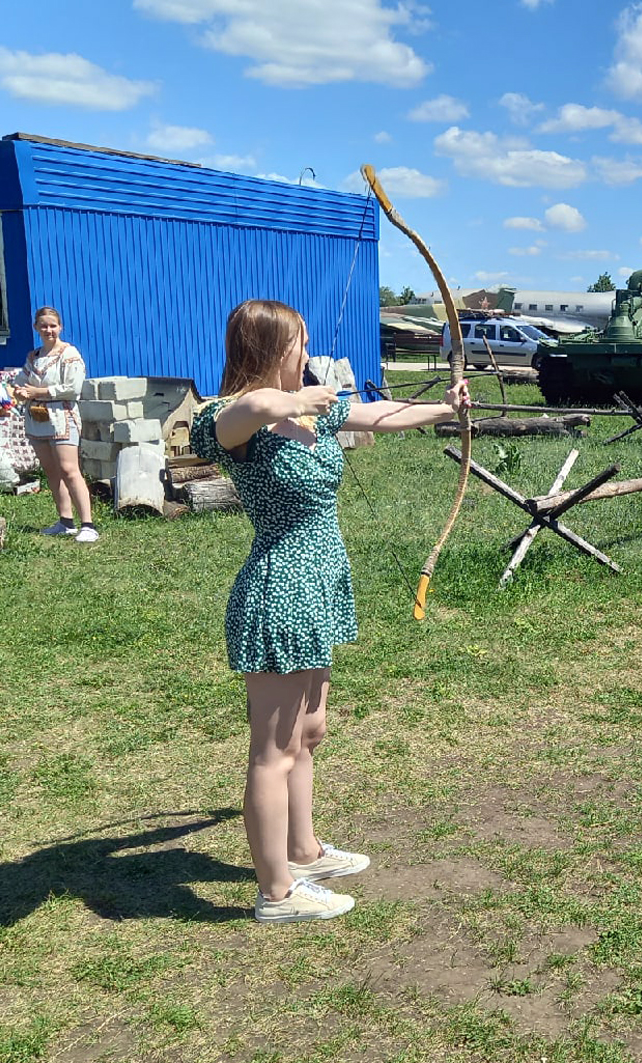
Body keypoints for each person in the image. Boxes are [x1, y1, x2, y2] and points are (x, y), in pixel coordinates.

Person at [191, 298, 471, 924]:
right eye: (299, 344)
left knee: (307, 733)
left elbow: (381, 413)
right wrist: (297, 399)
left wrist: (446, 407)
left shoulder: (309, 404)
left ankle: (303, 849)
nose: (309, 355)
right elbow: (252, 407)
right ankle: (277, 893)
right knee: (273, 747)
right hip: (280, 590)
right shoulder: (227, 420)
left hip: (319, 586)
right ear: (269, 350)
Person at [12, 307, 98, 542]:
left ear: (60, 327)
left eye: (52, 325)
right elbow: (21, 381)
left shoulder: (68, 354)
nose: (48, 330)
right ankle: (65, 520)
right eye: (43, 326)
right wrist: (20, 391)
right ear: (36, 328)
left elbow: (73, 388)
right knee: (52, 471)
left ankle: (88, 524)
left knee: (69, 470)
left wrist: (37, 391)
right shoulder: (34, 357)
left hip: (62, 416)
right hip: (38, 418)